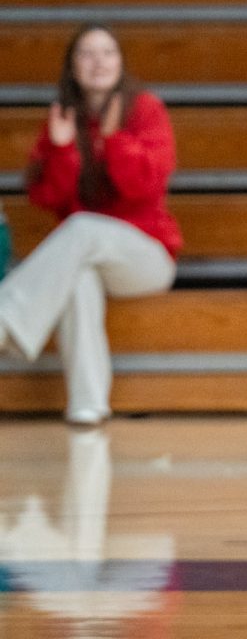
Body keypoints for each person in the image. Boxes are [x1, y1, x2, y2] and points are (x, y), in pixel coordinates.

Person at [0, 24, 180, 427]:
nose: (98, 62)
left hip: (145, 256)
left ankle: (4, 317)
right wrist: (63, 147)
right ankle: (88, 404)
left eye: (107, 52)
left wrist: (115, 140)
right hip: (84, 253)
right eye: (86, 53)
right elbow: (48, 198)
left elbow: (144, 188)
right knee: (78, 279)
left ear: (120, 62)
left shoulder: (146, 110)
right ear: (73, 66)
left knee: (82, 229)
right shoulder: (63, 117)